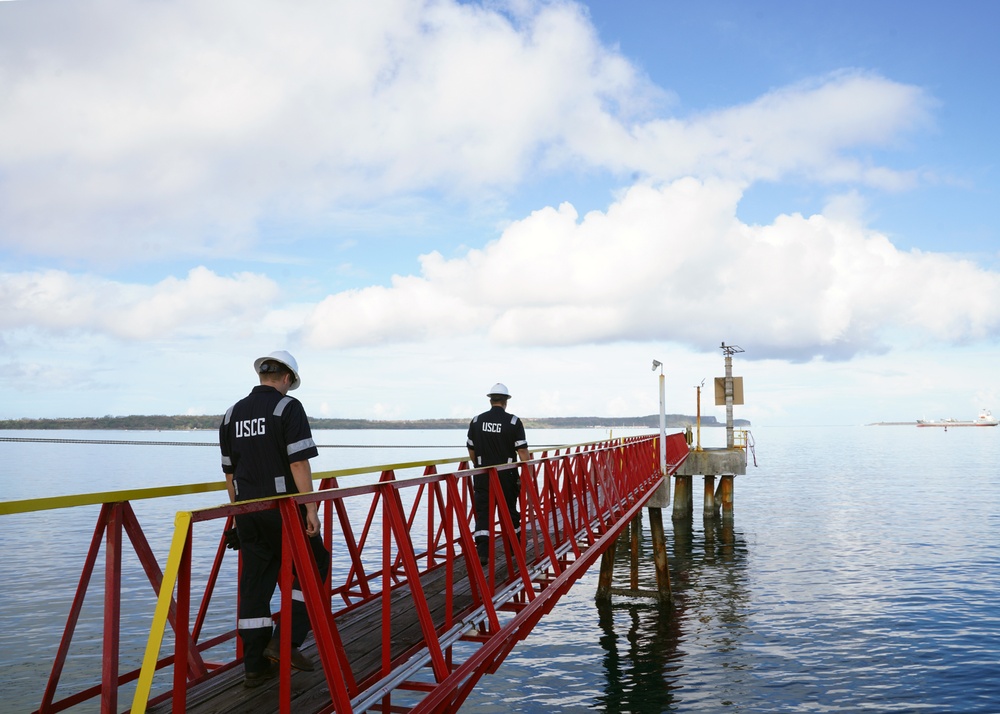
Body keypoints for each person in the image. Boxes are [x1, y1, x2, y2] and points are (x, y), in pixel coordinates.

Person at [219, 350, 330, 688]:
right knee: (314, 564)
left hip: (248, 511)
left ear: (261, 376)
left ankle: (254, 665)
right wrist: (310, 507)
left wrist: (237, 515)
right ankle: (286, 643)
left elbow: (229, 472)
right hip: (283, 509)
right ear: (286, 379)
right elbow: (299, 463)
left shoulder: (231, 414)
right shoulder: (288, 407)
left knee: (256, 581)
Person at [466, 383, 530, 565]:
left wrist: (478, 465)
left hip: (482, 473)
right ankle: (513, 549)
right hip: (507, 475)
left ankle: (483, 552)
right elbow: (523, 452)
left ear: (490, 400)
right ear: (506, 401)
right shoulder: (513, 422)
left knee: (483, 512)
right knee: (509, 511)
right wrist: (528, 473)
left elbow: (471, 449)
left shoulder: (477, 421)